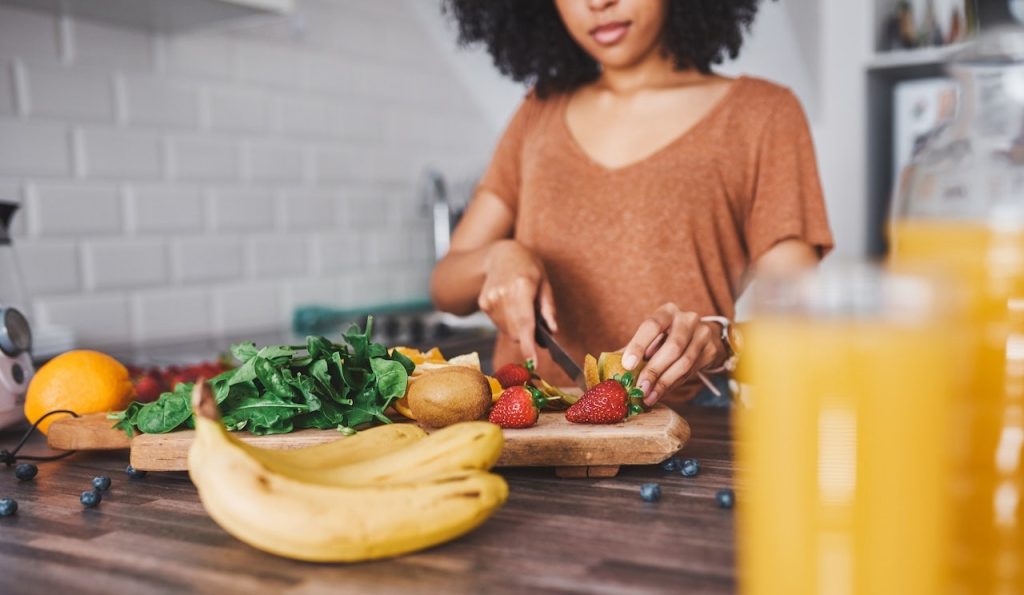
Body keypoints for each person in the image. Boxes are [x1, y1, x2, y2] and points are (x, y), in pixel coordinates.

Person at [432, 0, 833, 407]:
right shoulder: (538, 112)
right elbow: (446, 286)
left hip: (683, 429)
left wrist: (720, 340)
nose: (597, 3)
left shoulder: (762, 114)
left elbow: (795, 324)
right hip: (529, 423)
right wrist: (497, 258)